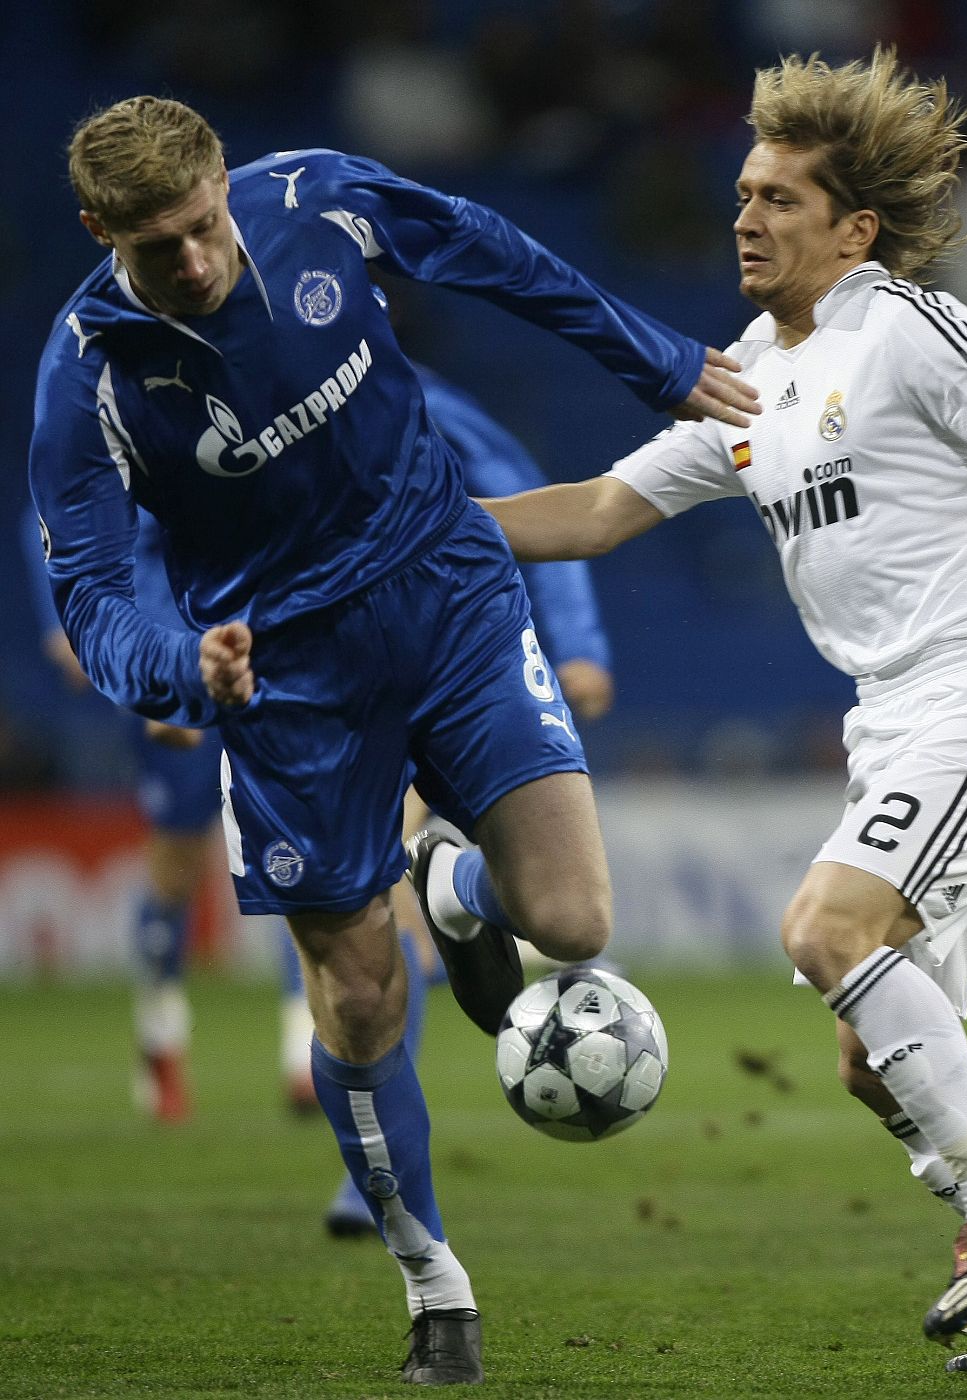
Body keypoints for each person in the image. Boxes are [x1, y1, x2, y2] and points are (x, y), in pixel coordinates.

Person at [28, 95, 757, 1388]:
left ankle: (457, 886)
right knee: (360, 991)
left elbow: (488, 248)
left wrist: (651, 357)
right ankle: (434, 1283)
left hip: (448, 593)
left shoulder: (313, 199)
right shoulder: (85, 374)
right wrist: (185, 671)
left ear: (223, 186)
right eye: (155, 247)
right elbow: (89, 593)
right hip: (287, 685)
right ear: (100, 231)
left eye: (201, 228)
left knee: (576, 921)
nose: (192, 263)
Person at [480, 49, 967, 1375]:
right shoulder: (744, 374)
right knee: (866, 1057)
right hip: (890, 720)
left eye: (781, 198)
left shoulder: (904, 326)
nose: (745, 216)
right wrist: (403, 531)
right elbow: (603, 510)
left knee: (824, 927)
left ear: (853, 227)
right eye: (742, 192)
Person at [319, 359, 616, 1237]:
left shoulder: (414, 398)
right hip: (334, 677)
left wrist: (582, 641)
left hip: (462, 659)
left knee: (527, 917)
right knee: (366, 935)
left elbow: (521, 488)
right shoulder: (234, 401)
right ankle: (378, 1174)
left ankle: (462, 895)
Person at [19, 502, 233, 1122]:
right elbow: (47, 508)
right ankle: (160, 1031)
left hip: (252, 634)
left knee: (301, 843)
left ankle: (306, 1051)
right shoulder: (99, 419)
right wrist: (63, 619)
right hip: (157, 655)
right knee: (178, 858)